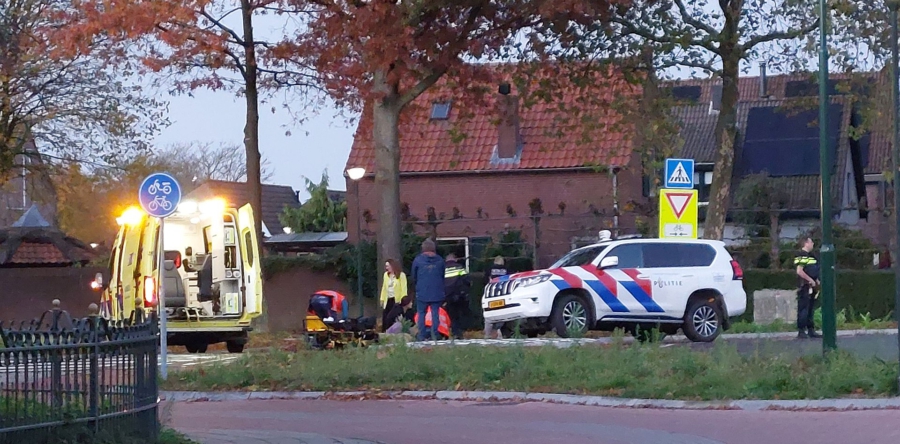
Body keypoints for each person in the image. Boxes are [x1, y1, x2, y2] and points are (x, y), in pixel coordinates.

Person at [411, 239, 445, 341]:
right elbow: (442, 275)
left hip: (422, 291)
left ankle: (421, 335)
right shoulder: (440, 260)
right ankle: (435, 335)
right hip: (437, 291)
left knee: (421, 313)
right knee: (435, 313)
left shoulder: (418, 260)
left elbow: (414, 276)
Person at [794, 238, 822, 339]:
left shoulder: (811, 256)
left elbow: (811, 269)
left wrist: (816, 280)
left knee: (810, 308)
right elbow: (799, 271)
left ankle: (811, 330)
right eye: (811, 242)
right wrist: (810, 280)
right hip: (804, 286)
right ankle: (801, 330)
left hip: (812, 285)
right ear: (806, 243)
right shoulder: (802, 255)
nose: (813, 244)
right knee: (803, 308)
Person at [443, 253, 471, 340]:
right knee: (458, 315)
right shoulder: (459, 267)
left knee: (449, 315)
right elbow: (466, 280)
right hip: (458, 295)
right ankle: (458, 333)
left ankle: (449, 332)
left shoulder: (442, 268)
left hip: (446, 296)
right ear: (455, 259)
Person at [380, 259, 408, 332]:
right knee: (385, 317)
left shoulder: (401, 275)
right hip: (388, 299)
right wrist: (382, 299)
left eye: (388, 266)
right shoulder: (386, 275)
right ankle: (385, 332)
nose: (387, 268)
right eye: (386, 266)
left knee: (391, 317)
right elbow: (384, 287)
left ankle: (392, 332)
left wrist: (403, 299)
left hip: (397, 300)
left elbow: (403, 288)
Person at [484, 256, 508, 339]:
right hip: (503, 294)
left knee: (489, 315)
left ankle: (487, 334)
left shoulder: (490, 269)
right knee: (502, 314)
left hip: (491, 295)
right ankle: (500, 332)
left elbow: (485, 280)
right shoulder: (507, 270)